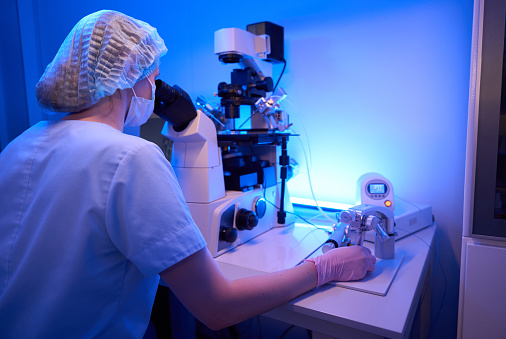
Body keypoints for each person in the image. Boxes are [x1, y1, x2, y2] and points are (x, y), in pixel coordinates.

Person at [0, 10, 376, 338]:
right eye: (154, 78)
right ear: (130, 77)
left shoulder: (17, 146)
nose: (154, 90)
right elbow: (218, 308)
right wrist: (324, 267)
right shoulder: (130, 158)